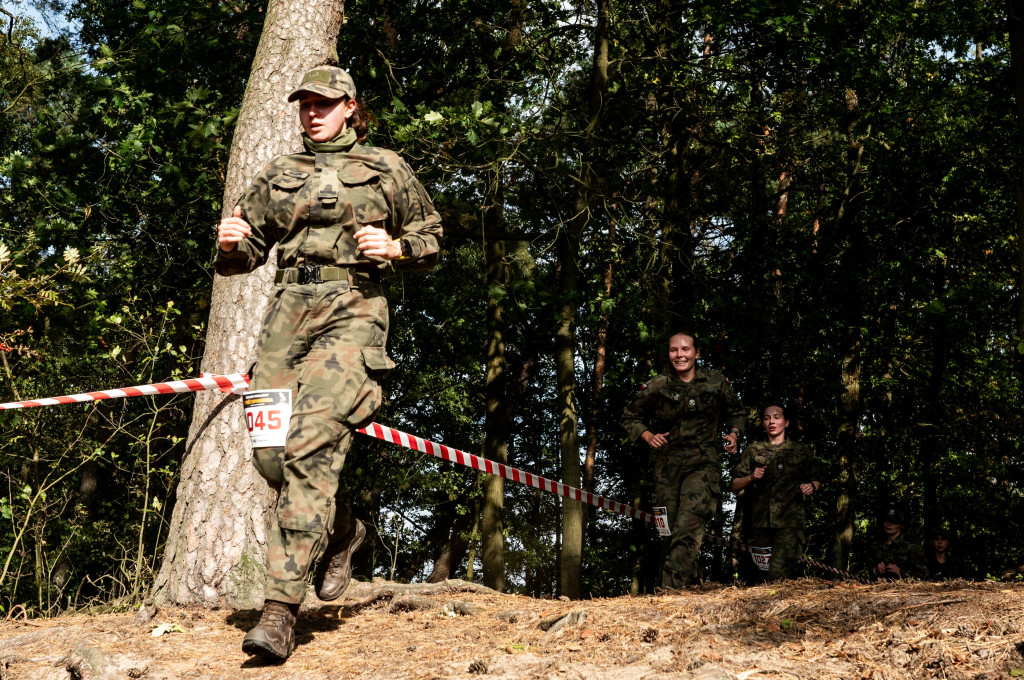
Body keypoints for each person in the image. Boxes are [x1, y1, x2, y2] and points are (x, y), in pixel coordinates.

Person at [215, 64, 442, 660]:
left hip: (355, 309)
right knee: (270, 458)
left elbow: (432, 237)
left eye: (324, 102)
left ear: (349, 107)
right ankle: (344, 532)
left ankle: (278, 612)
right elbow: (248, 254)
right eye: (304, 103)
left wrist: (396, 247)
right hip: (287, 315)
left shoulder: (386, 167)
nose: (312, 112)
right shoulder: (276, 174)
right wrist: (231, 246)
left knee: (312, 440)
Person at [620, 331, 746, 588]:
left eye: (686, 349)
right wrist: (646, 435)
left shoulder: (716, 381)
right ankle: (692, 586)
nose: (680, 355)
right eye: (674, 350)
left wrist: (734, 434)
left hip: (704, 461)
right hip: (667, 465)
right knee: (670, 532)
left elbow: (737, 413)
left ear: (697, 353)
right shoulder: (658, 385)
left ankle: (670, 593)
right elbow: (629, 416)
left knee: (689, 523)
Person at [731, 402, 821, 581]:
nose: (772, 421)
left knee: (777, 573)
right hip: (760, 525)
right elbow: (734, 485)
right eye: (767, 418)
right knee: (760, 578)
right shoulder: (753, 450)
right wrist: (750, 478)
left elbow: (817, 479)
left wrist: (811, 486)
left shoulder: (800, 451)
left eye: (776, 417)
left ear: (786, 422)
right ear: (763, 423)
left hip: (790, 524)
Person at [867, 508, 926, 580]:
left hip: (904, 589)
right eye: (887, 521)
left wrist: (900, 572)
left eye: (894, 522)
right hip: (878, 588)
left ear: (901, 525)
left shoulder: (911, 545)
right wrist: (876, 571)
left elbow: (923, 574)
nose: (889, 525)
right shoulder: (876, 545)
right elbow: (868, 571)